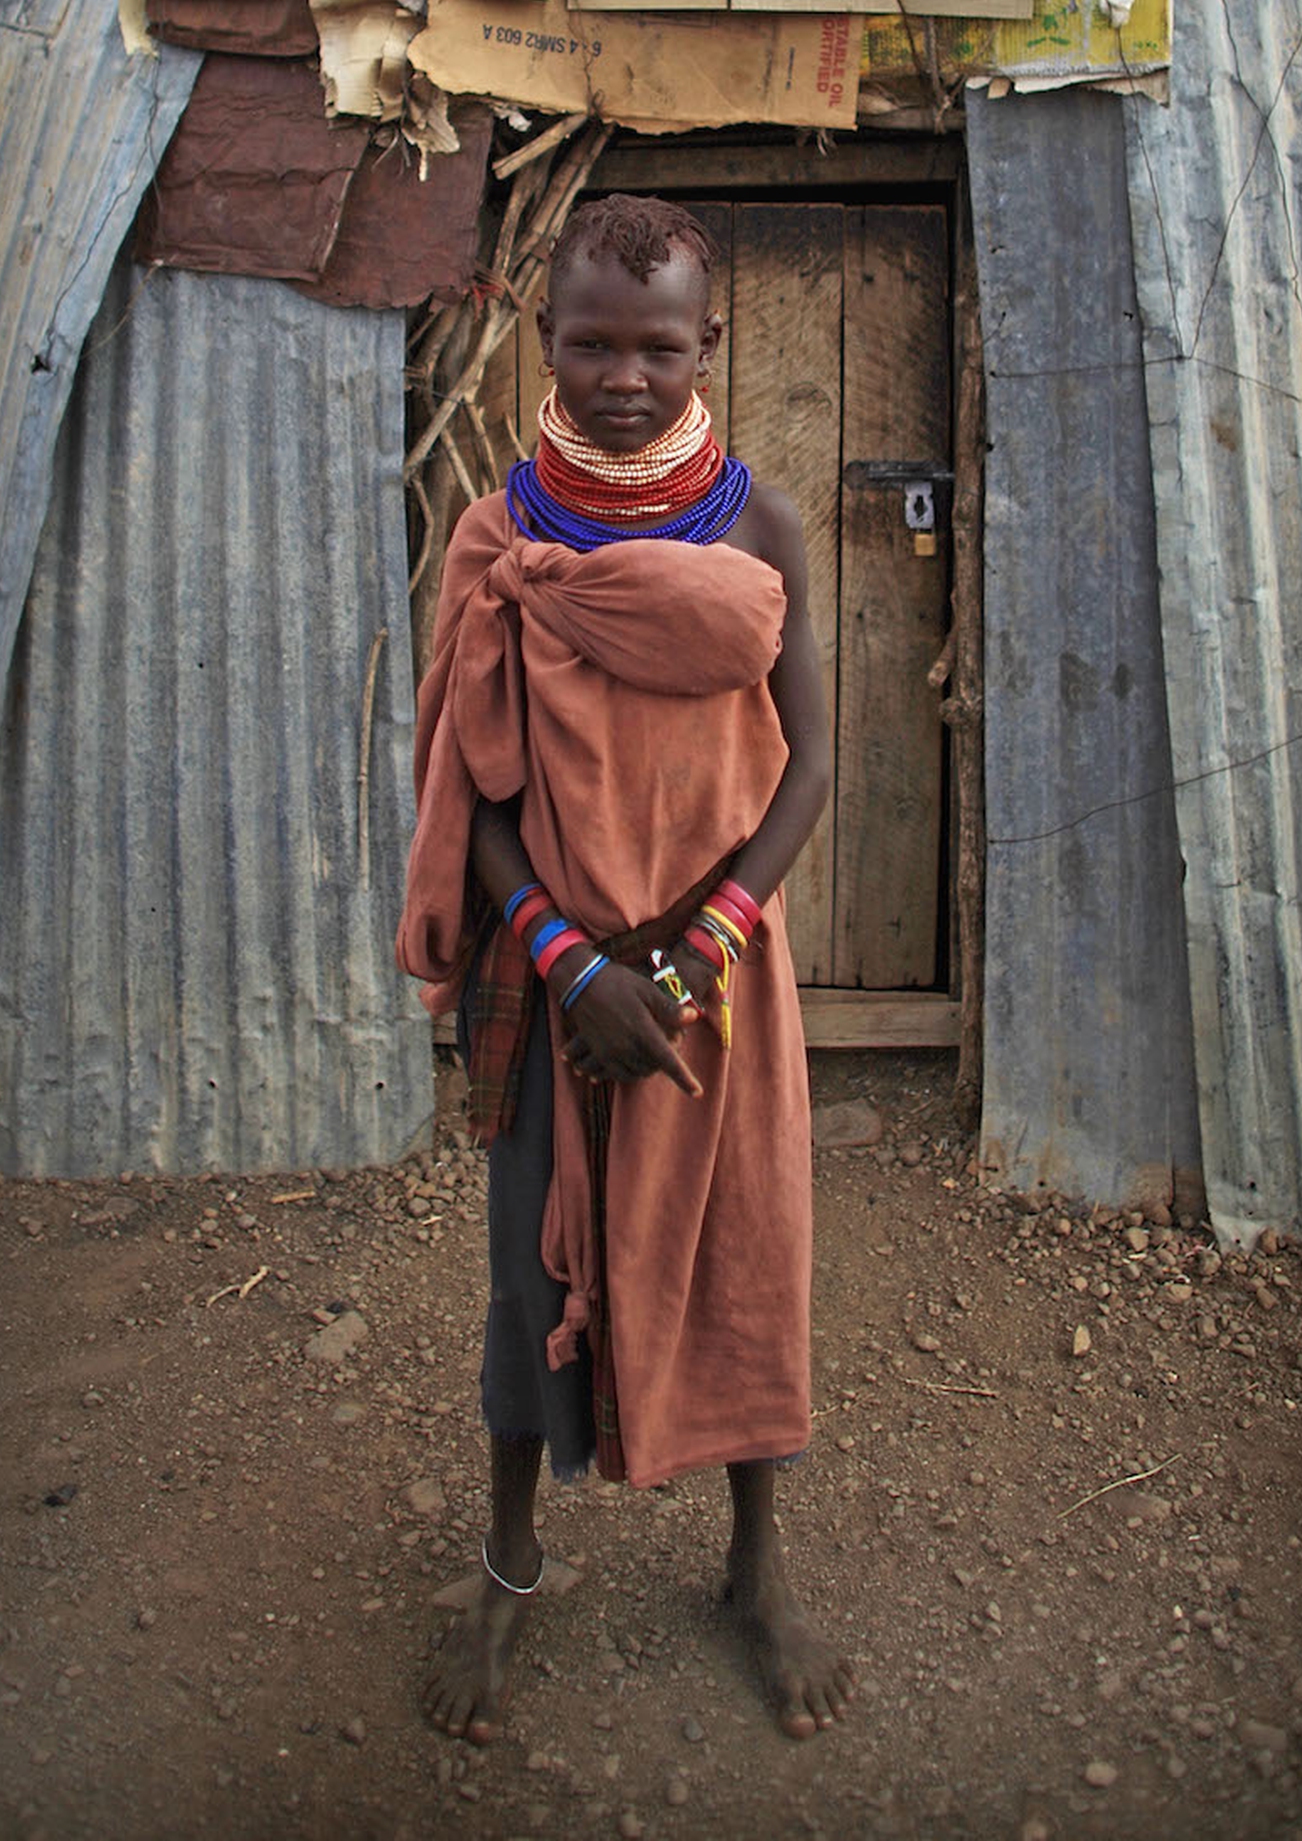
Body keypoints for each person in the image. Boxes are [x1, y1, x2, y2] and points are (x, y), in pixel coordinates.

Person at [396, 192, 853, 1745]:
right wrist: (566, 957)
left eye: (659, 347)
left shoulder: (763, 527)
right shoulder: (501, 539)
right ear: (547, 342)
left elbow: (808, 766)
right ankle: (511, 1569)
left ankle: (756, 1568)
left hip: (720, 975)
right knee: (531, 1276)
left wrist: (709, 940)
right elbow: (476, 793)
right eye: (591, 343)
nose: (625, 378)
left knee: (746, 1253)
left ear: (709, 344)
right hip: (555, 974)